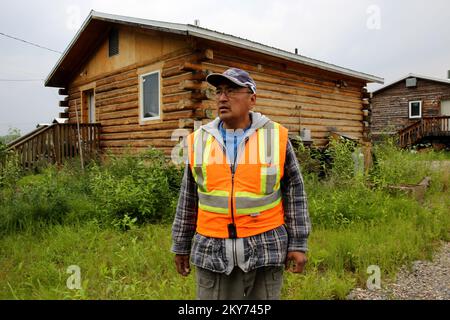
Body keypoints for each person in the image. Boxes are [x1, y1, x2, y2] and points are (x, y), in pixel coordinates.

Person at [171, 67, 311, 300]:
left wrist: (298, 243)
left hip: (265, 251)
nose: (223, 97)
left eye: (232, 90)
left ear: (252, 99)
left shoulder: (276, 136)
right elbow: (188, 198)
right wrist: (181, 245)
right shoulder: (198, 141)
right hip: (212, 254)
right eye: (219, 91)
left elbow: (295, 193)